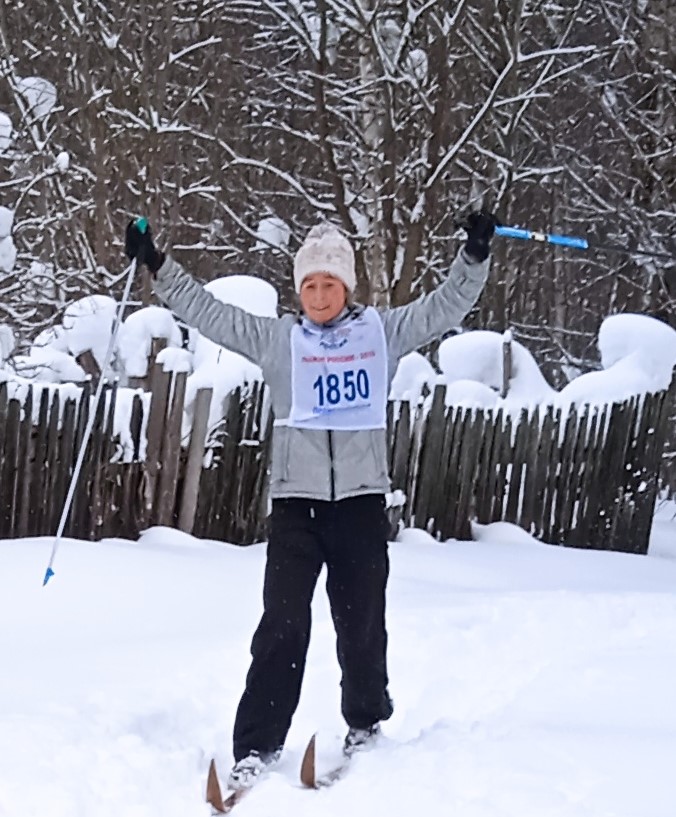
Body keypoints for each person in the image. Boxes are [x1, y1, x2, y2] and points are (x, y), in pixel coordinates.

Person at [125, 211, 497, 789]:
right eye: (310, 285)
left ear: (346, 287)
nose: (320, 295)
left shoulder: (381, 333)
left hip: (360, 504)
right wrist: (158, 265)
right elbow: (212, 315)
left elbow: (444, 307)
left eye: (330, 284)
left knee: (362, 625)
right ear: (299, 291)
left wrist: (472, 258)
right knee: (281, 625)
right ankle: (256, 746)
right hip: (296, 506)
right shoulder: (282, 340)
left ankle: (366, 726)